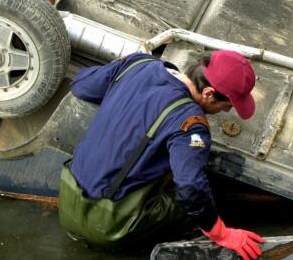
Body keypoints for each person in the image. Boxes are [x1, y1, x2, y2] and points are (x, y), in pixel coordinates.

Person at [58, 50, 265, 260]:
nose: (226, 111)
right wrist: (221, 233)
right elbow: (191, 187)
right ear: (208, 93)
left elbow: (81, 85)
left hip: (67, 199)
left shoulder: (137, 63)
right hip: (110, 224)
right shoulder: (191, 124)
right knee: (210, 194)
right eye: (226, 105)